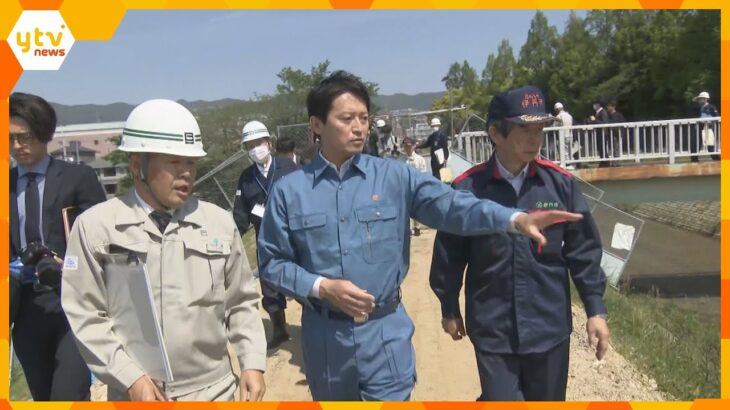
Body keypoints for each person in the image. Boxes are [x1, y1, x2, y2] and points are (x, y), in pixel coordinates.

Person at [256, 70, 583, 401]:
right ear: (316, 125)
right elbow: (271, 263)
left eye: (364, 118)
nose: (359, 127)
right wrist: (321, 287)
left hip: (383, 336)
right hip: (325, 340)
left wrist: (514, 219)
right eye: (346, 118)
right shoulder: (289, 192)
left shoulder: (395, 178)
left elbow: (454, 205)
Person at [61, 99, 267, 401]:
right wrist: (131, 379)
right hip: (136, 394)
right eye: (174, 162)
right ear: (137, 165)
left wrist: (252, 362)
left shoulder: (218, 223)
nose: (186, 173)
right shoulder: (96, 228)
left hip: (215, 390)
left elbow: (241, 302)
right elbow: (85, 315)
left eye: (191, 163)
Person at [429, 85, 609, 402]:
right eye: (524, 129)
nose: (534, 139)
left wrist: (595, 309)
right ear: (496, 134)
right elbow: (449, 254)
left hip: (548, 326)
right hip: (492, 326)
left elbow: (584, 252)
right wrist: (449, 306)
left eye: (539, 129)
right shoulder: (467, 189)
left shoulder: (560, 184)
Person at [9, 92, 106, 401]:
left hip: (72, 305)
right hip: (23, 308)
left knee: (69, 395)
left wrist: (66, 265)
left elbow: (103, 244)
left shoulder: (78, 178)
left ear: (44, 133)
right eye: (8, 139)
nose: (16, 147)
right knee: (41, 397)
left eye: (24, 138)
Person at [233, 120, 298, 348]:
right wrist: (231, 240)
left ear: (269, 143)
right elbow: (240, 214)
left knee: (302, 279)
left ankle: (315, 325)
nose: (255, 148)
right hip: (265, 239)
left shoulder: (289, 168)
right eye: (250, 145)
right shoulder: (246, 177)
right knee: (270, 287)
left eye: (258, 142)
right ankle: (279, 329)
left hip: (294, 237)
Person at [398, 137, 428, 236]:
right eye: (405, 146)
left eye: (409, 146)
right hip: (405, 187)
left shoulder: (420, 159)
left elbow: (423, 173)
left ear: (414, 146)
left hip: (416, 186)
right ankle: (409, 229)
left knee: (416, 207)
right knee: (406, 208)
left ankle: (417, 226)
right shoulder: (401, 160)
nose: (407, 148)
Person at [693, 91, 720, 161]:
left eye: (700, 99)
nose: (699, 100)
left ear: (705, 99)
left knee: (710, 143)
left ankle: (716, 158)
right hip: (701, 127)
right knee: (698, 142)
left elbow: (717, 117)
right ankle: (694, 158)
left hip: (709, 127)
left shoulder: (711, 107)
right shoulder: (699, 108)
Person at [553, 102, 574, 168]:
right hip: (570, 135)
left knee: (564, 151)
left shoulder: (559, 116)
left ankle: (567, 164)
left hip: (563, 136)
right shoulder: (569, 115)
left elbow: (554, 126)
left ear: (557, 109)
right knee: (570, 150)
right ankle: (571, 163)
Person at [589, 101, 610, 167]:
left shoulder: (603, 112)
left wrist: (594, 120)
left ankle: (606, 162)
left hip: (603, 133)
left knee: (603, 147)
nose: (594, 106)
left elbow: (604, 122)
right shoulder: (597, 112)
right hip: (599, 133)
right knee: (600, 148)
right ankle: (603, 161)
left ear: (598, 105)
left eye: (595, 105)